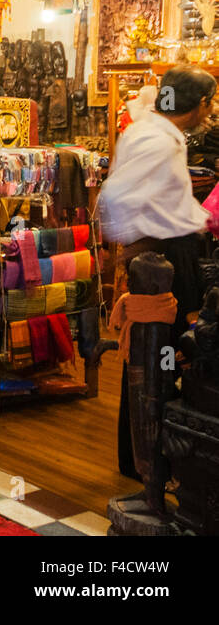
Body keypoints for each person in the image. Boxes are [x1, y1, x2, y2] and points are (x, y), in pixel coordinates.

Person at [98, 64, 217, 479]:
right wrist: (140, 240)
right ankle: (147, 454)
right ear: (200, 104)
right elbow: (114, 196)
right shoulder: (159, 140)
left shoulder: (150, 131)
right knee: (162, 352)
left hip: (164, 252)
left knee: (156, 354)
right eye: (210, 103)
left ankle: (146, 453)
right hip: (165, 258)